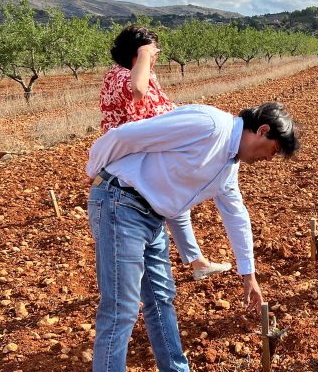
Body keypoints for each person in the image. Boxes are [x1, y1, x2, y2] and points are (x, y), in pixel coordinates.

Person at [85, 102, 300, 371]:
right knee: (121, 308)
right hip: (120, 200)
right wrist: (93, 170)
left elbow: (237, 217)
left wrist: (249, 275)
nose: (269, 159)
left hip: (151, 216)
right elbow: (125, 136)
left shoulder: (229, 169)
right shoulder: (210, 125)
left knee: (161, 298)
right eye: (274, 150)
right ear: (262, 130)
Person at [100, 24, 228, 281]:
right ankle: (157, 274)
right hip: (133, 160)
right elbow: (137, 91)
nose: (157, 56)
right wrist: (145, 54)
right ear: (138, 53)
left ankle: (196, 262)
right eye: (153, 52)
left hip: (151, 153)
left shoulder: (142, 75)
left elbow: (162, 108)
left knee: (175, 206)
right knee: (163, 208)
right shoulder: (121, 77)